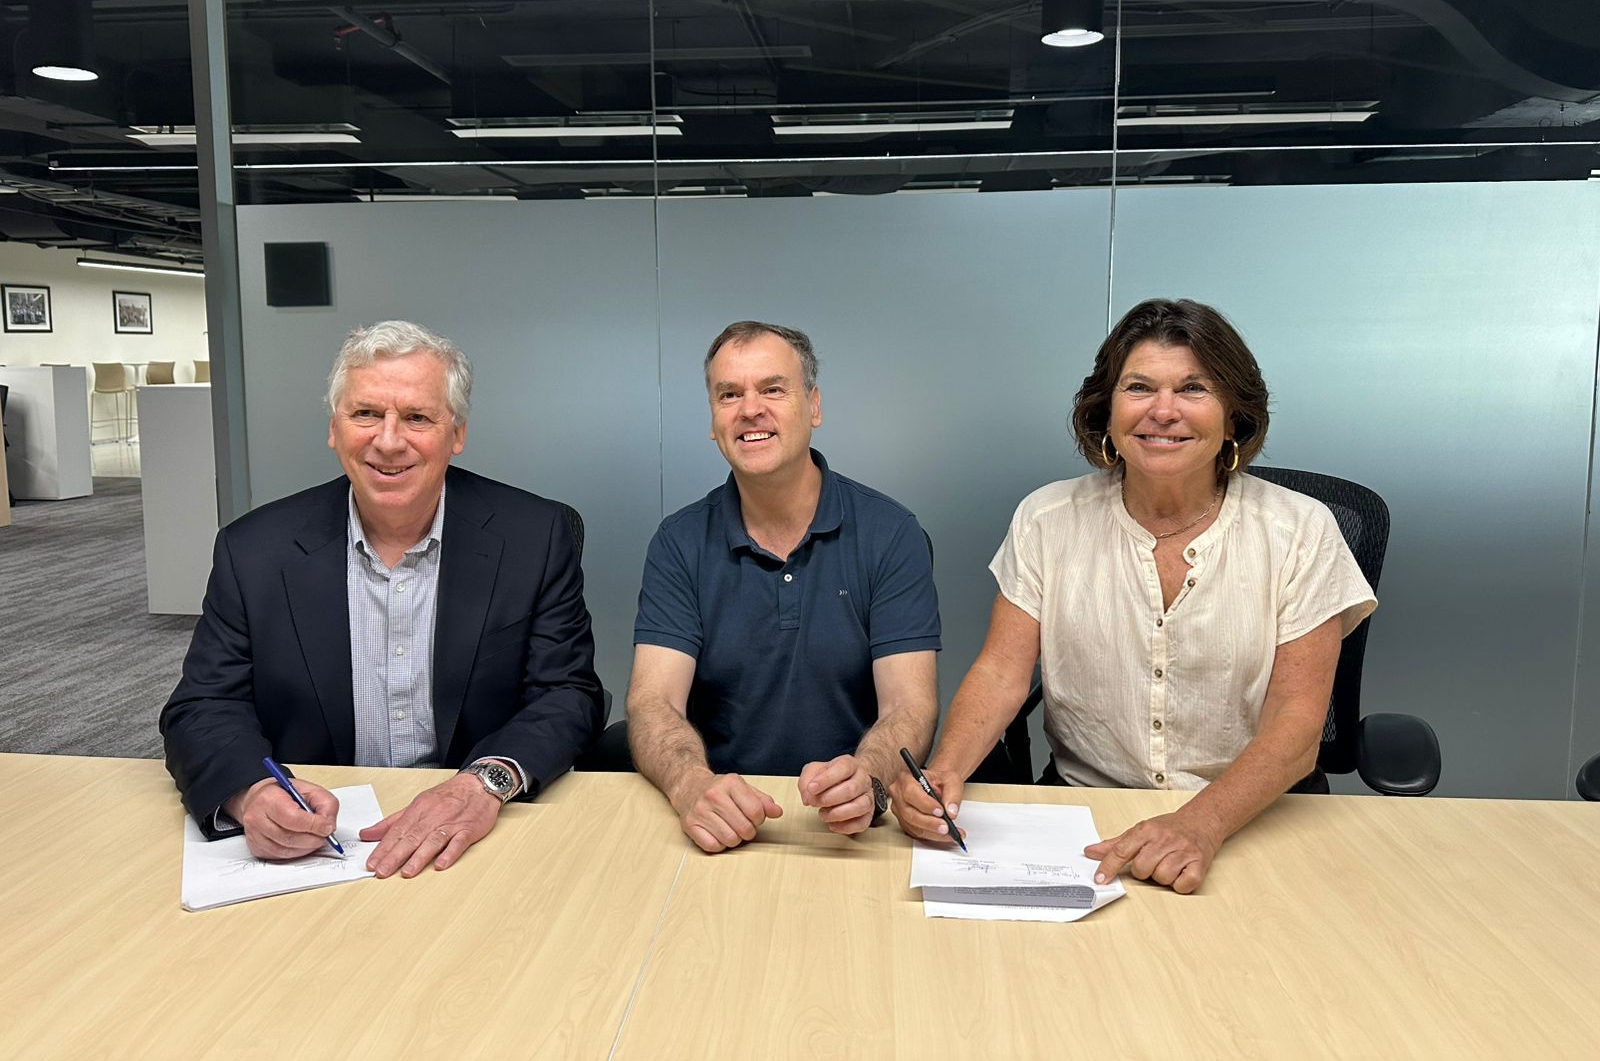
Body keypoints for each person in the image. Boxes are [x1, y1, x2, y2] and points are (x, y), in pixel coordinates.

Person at [892, 298, 1375, 893]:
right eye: (1139, 387)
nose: (1163, 412)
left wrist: (1200, 824)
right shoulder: (1047, 518)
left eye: (1193, 388)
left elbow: (1297, 724)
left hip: (1250, 819)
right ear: (1107, 410)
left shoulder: (1301, 529)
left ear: (1234, 416)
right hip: (1085, 821)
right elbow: (1000, 674)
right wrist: (944, 770)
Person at [161, 320, 603, 878]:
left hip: (479, 835)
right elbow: (203, 705)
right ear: (334, 428)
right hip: (319, 849)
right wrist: (251, 793)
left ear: (457, 433)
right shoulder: (253, 550)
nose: (389, 441)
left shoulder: (534, 536)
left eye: (417, 418)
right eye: (366, 413)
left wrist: (484, 783)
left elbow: (567, 694)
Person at [627, 321, 941, 853]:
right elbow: (653, 701)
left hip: (852, 831)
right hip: (720, 816)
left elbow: (909, 705)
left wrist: (868, 777)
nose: (750, 409)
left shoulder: (891, 533)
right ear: (713, 420)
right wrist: (689, 784)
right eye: (729, 394)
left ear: (813, 407)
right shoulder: (679, 541)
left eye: (772, 389)